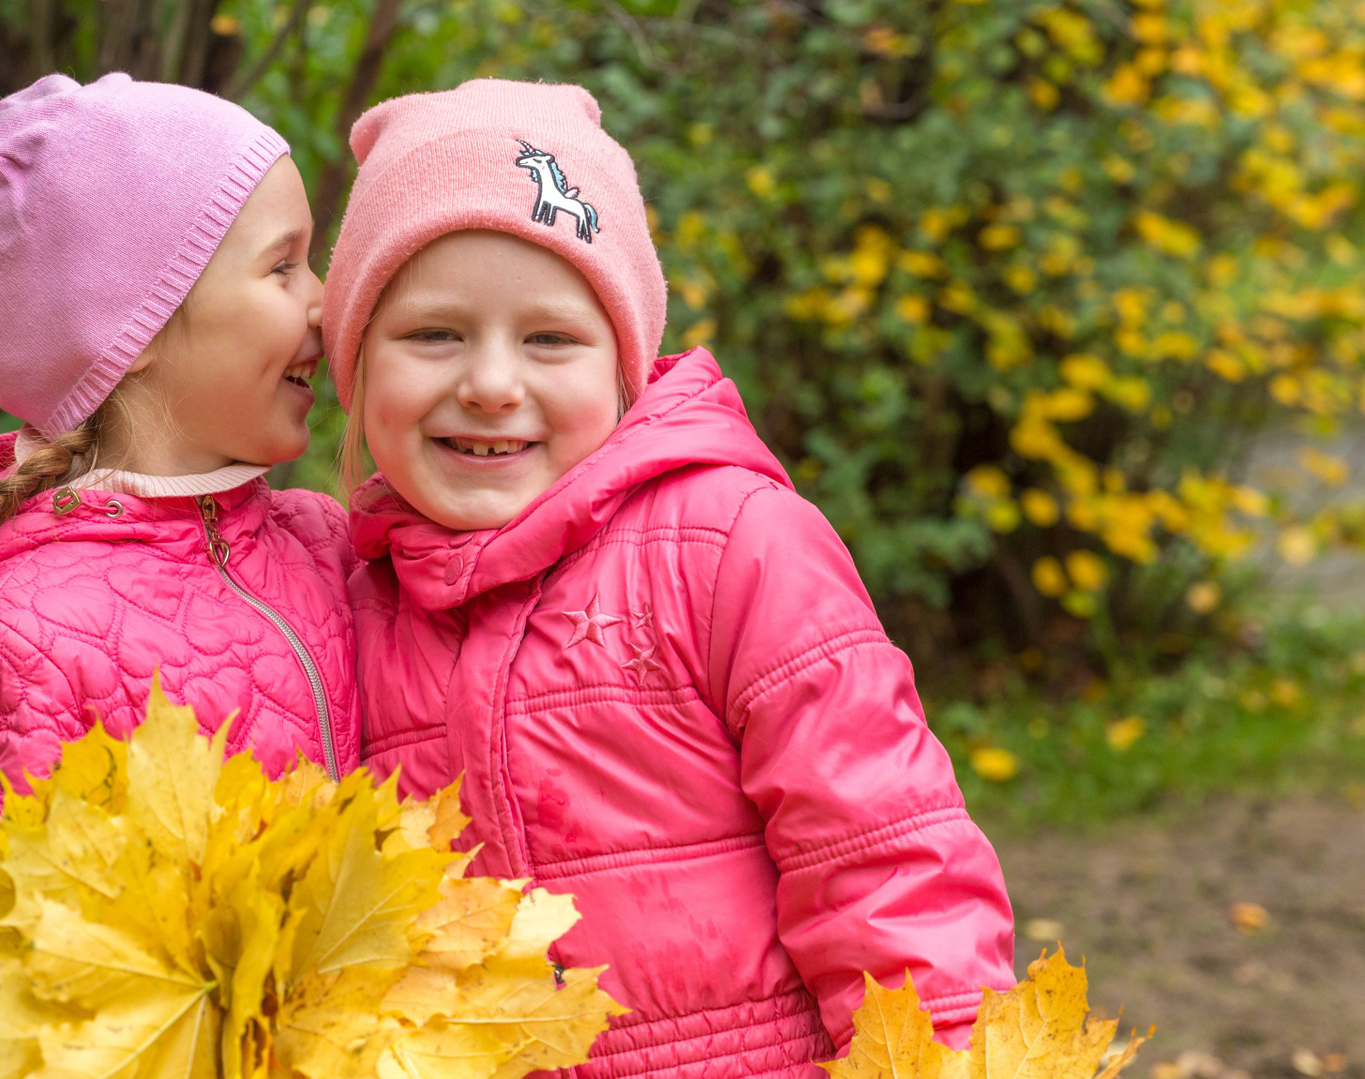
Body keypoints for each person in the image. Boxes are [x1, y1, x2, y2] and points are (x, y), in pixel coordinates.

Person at [325, 79, 1013, 1079]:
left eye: (550, 337)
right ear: (355, 363)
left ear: (624, 364)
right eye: (435, 333)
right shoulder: (347, 599)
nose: (490, 380)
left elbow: (882, 857)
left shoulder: (731, 546)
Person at [0, 73, 358, 1071]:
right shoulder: (20, 640)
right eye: (285, 268)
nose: (327, 301)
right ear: (130, 333)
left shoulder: (326, 545)